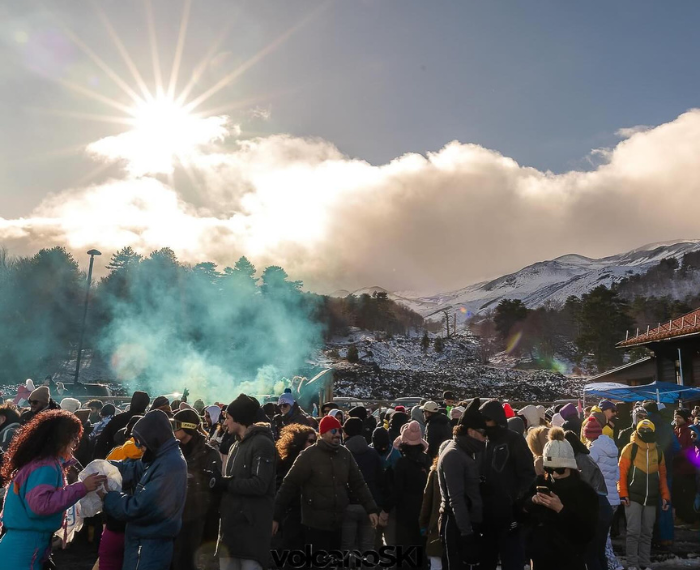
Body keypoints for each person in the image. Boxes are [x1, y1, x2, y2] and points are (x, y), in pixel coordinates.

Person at [0, 410, 106, 569]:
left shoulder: (36, 462)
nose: (74, 445)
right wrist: (81, 488)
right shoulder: (46, 466)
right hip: (27, 546)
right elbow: (40, 506)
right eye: (74, 439)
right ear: (62, 439)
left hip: (21, 543)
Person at [273, 415, 379, 563]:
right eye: (333, 430)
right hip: (314, 524)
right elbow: (288, 485)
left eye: (339, 430)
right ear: (322, 433)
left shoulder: (344, 454)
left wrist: (371, 509)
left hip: (338, 522)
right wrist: (275, 516)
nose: (337, 434)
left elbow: (358, 483)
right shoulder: (309, 455)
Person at [103, 409, 188, 569]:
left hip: (149, 544)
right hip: (144, 541)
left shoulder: (169, 465)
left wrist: (107, 496)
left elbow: (139, 508)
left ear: (152, 438)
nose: (138, 446)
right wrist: (104, 467)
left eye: (140, 441)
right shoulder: (161, 456)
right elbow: (134, 469)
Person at [522, 427, 599, 570]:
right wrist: (531, 502)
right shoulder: (540, 483)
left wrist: (561, 510)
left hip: (570, 560)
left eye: (560, 469)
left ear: (570, 467)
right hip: (541, 559)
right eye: (550, 469)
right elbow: (520, 514)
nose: (555, 474)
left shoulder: (584, 491)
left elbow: (587, 533)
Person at [214, 394, 277, 570]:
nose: (225, 423)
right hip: (231, 534)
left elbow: (260, 484)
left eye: (228, 418)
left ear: (240, 419)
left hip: (251, 535)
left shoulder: (262, 444)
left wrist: (226, 483)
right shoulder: (235, 446)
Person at [479, 399, 536, 570]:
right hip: (486, 515)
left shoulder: (514, 439)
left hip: (509, 515)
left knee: (512, 561)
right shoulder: (482, 441)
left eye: (486, 419)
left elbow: (528, 474)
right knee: (486, 561)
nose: (483, 423)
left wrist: (518, 506)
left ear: (495, 418)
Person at [437, 398, 486, 570]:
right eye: (483, 433)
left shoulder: (464, 451)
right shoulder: (454, 455)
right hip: (457, 526)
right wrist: (467, 534)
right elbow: (456, 498)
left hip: (464, 523)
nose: (485, 438)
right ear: (472, 431)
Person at [171, 409, 222, 570]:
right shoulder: (173, 452)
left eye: (176, 425)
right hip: (176, 517)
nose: (173, 430)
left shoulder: (209, 454)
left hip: (199, 522)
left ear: (187, 427)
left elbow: (214, 491)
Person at [618, 419, 671, 570]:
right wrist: (623, 494)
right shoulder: (630, 448)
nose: (646, 433)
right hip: (633, 497)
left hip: (652, 498)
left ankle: (645, 564)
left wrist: (665, 497)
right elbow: (621, 473)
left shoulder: (658, 451)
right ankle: (633, 564)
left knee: (647, 533)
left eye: (649, 431)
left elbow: (662, 475)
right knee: (634, 532)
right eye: (644, 430)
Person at [382, 420, 430, 569]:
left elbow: (398, 490)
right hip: (424, 510)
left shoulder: (402, 464)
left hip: (405, 512)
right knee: (421, 549)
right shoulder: (427, 460)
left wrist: (386, 508)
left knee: (406, 551)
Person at [342, 417, 384, 561]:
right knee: (368, 547)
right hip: (370, 505)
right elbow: (380, 479)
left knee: (347, 547)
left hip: (348, 505)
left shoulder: (342, 452)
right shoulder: (372, 453)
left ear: (345, 432)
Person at [274, 424, 318, 562]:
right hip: (294, 518)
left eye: (316, 441)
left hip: (312, 520)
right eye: (311, 441)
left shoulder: (316, 462)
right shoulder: (287, 464)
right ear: (300, 443)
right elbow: (282, 491)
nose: (314, 444)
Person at [94, 391, 150, 459]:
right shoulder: (147, 421)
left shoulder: (117, 419)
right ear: (146, 404)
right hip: (139, 460)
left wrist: (100, 459)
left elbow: (102, 440)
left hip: (114, 458)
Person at [673, 407, 696, 524]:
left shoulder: (690, 430)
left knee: (688, 496)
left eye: (679, 417)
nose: (676, 419)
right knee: (678, 495)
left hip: (688, 470)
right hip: (677, 470)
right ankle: (680, 517)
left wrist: (676, 452)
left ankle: (689, 520)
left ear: (685, 418)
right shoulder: (675, 430)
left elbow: (690, 450)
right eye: (675, 417)